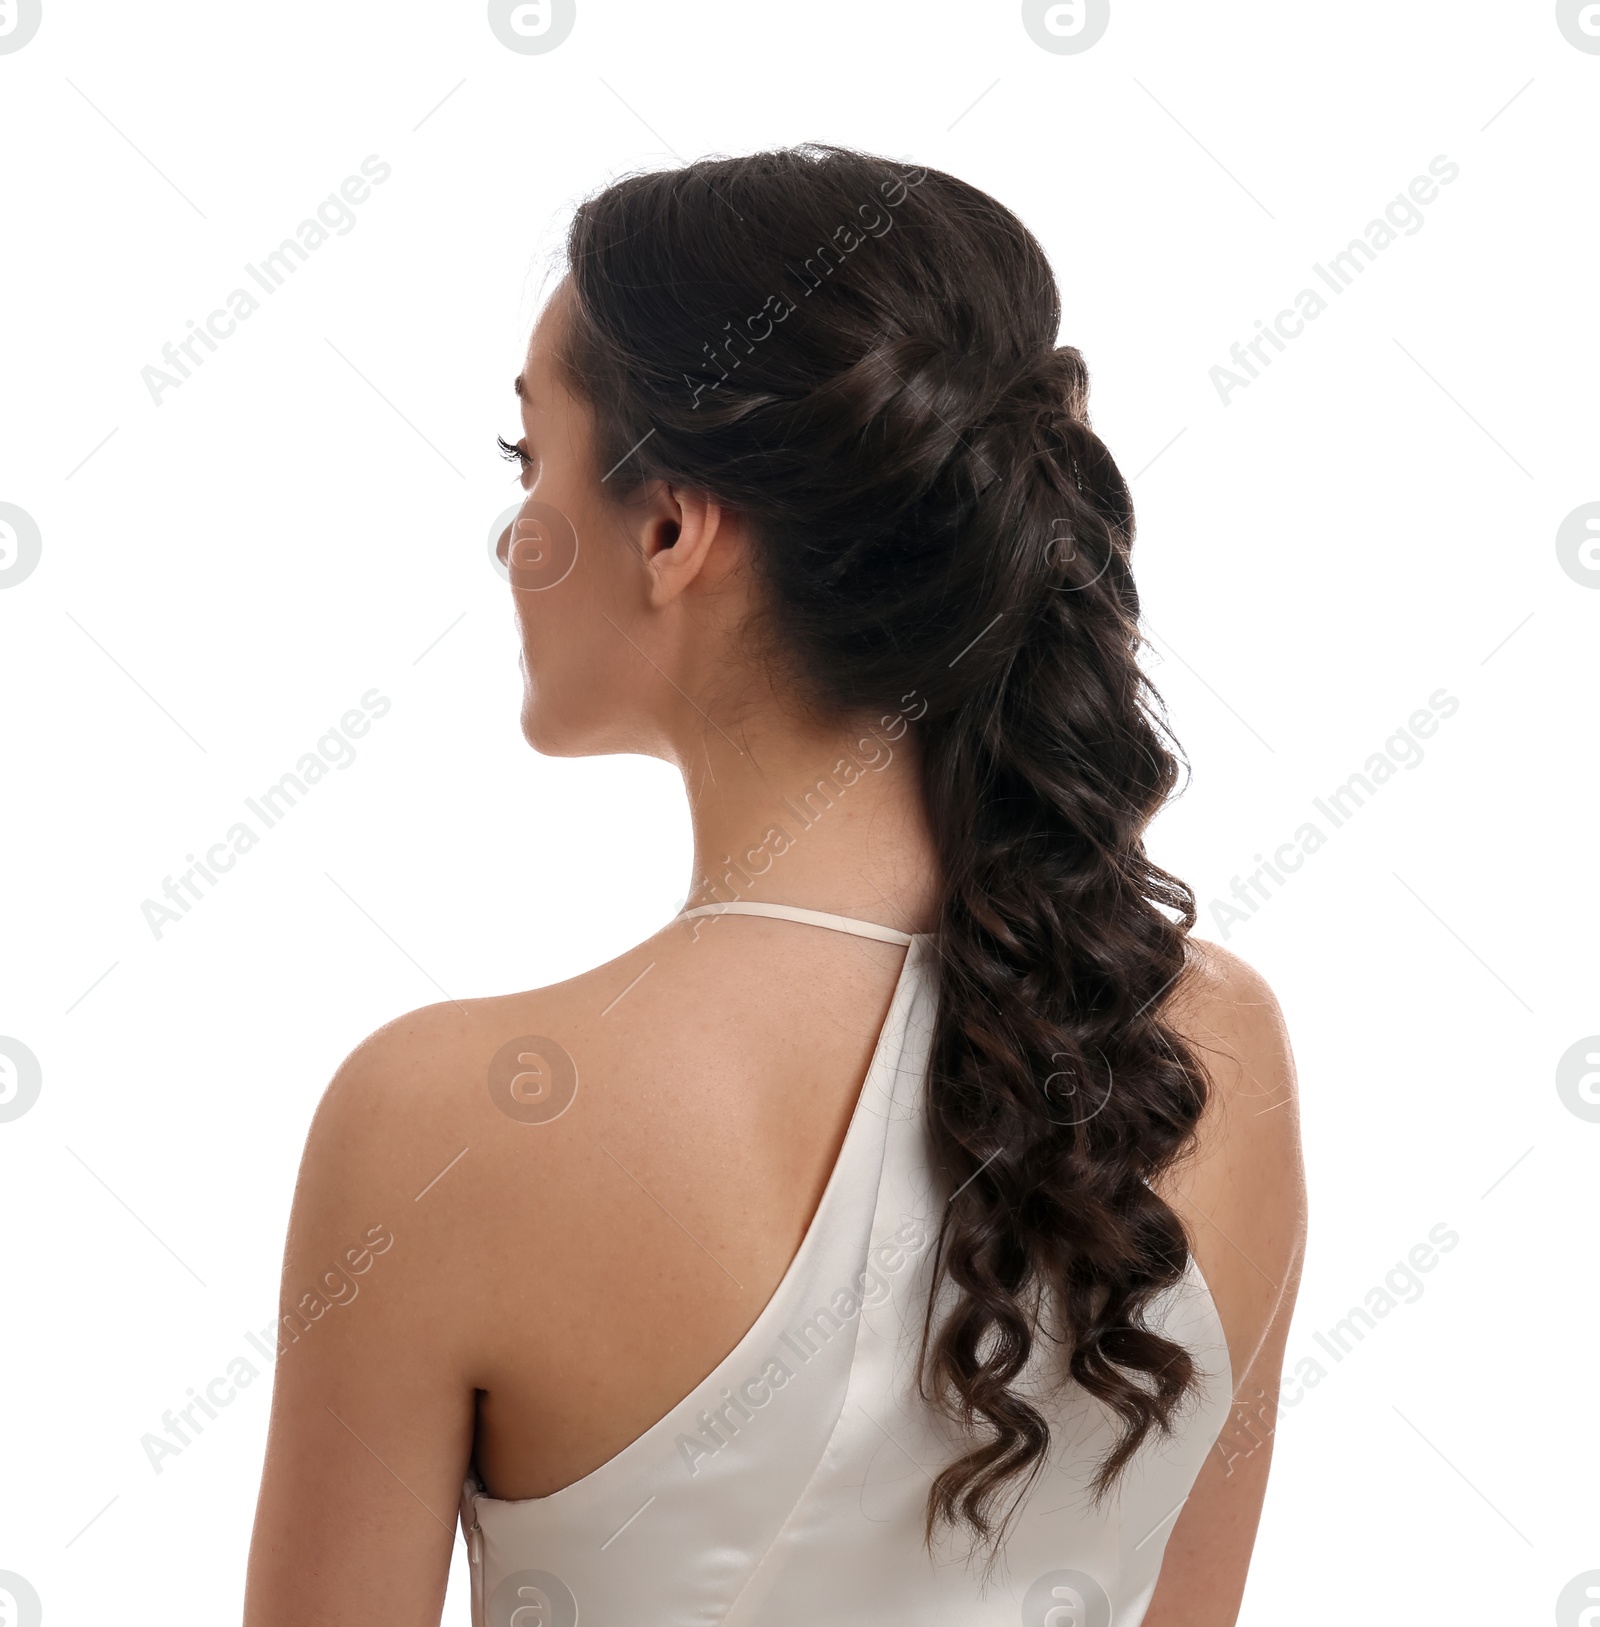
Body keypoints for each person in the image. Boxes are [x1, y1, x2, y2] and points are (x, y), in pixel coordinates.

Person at [244, 145, 1306, 1627]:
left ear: (674, 530)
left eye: (527, 459)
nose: (510, 533)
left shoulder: (442, 1120)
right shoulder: (1212, 1053)